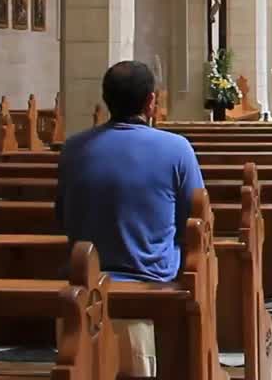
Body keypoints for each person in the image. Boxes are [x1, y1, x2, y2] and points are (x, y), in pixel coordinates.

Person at [57, 60, 205, 376]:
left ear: (105, 99)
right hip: (151, 278)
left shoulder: (73, 148)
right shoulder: (176, 149)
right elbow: (196, 220)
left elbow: (63, 215)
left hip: (83, 277)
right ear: (151, 101)